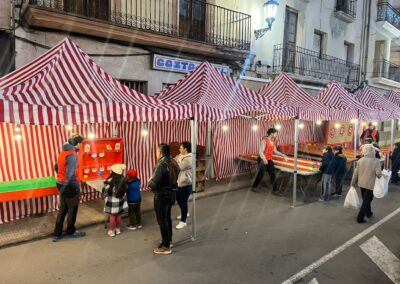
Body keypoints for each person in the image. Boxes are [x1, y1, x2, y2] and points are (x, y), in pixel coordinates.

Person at [53, 134, 86, 242]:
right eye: (81, 143)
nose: (82, 145)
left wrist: (60, 176)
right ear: (77, 144)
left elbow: (56, 166)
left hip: (60, 183)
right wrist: (77, 187)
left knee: (63, 209)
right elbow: (70, 175)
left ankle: (57, 234)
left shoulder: (63, 152)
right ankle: (70, 232)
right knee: (72, 208)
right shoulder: (72, 155)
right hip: (69, 185)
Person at [148, 144, 180, 255]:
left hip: (162, 195)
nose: (156, 154)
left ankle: (166, 246)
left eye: (157, 152)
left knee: (162, 220)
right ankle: (168, 240)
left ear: (161, 152)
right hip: (171, 194)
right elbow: (178, 173)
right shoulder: (173, 161)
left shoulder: (161, 164)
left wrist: (150, 182)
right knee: (167, 218)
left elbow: (153, 183)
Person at [351, 144, 382, 223]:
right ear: (373, 152)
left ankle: (369, 213)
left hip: (361, 184)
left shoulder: (360, 160)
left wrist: (353, 182)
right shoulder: (376, 161)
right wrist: (380, 173)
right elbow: (378, 174)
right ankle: (360, 218)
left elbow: (355, 173)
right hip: (370, 185)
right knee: (366, 201)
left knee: (366, 200)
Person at [251, 128, 288, 195]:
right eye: (276, 133)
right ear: (271, 133)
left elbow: (275, 151)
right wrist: (264, 159)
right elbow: (260, 152)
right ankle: (254, 187)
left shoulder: (273, 141)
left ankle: (275, 190)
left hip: (269, 159)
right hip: (262, 159)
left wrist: (282, 155)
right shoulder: (264, 141)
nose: (277, 135)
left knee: (273, 174)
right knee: (261, 173)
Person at [103, 164, 127, 237]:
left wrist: (104, 196)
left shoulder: (109, 180)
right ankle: (118, 229)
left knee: (112, 216)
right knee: (119, 215)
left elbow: (105, 191)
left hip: (112, 201)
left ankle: (111, 231)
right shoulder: (123, 179)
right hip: (120, 200)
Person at [175, 141, 193, 230]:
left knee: (183, 201)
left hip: (186, 184)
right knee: (179, 199)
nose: (179, 149)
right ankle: (185, 213)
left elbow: (178, 167)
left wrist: (177, 162)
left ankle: (183, 221)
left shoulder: (189, 158)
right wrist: (177, 161)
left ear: (185, 149)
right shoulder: (180, 156)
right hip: (179, 183)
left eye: (181, 148)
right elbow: (174, 161)